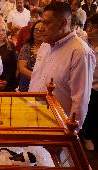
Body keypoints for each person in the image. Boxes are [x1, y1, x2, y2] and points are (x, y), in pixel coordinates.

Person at [29, 2, 96, 130]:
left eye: (47, 23)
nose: (41, 28)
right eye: (42, 22)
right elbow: (36, 79)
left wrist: (69, 134)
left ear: (63, 23)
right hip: (33, 116)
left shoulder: (80, 52)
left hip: (57, 127)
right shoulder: (45, 44)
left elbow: (80, 102)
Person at [81, 13, 98, 150]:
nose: (89, 29)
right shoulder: (81, 41)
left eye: (94, 27)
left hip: (96, 86)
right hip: (82, 83)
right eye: (88, 26)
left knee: (93, 113)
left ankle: (90, 135)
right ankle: (85, 136)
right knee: (85, 111)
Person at [0, 22, 17, 92]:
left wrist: (6, 81)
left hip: (8, 83)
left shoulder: (10, 46)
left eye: (3, 30)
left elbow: (13, 66)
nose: (1, 33)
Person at [18, 21, 44, 92]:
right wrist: (36, 78)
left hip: (45, 83)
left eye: (42, 30)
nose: (38, 32)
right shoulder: (27, 46)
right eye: (36, 30)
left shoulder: (50, 47)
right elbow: (21, 67)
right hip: (27, 81)